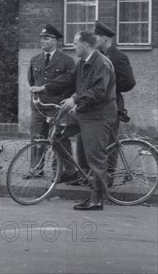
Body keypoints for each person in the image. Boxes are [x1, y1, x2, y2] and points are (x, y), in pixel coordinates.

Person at [68, 20, 136, 186]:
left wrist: (109, 86)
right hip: (91, 103)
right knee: (86, 141)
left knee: (107, 144)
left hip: (108, 104)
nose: (93, 38)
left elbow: (129, 82)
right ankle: (85, 175)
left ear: (104, 38)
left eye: (96, 36)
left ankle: (108, 179)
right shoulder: (92, 56)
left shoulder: (117, 57)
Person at [60, 30, 117, 211]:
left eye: (75, 44)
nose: (73, 47)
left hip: (98, 115)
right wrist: (45, 87)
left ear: (84, 45)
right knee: (58, 129)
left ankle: (96, 199)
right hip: (85, 111)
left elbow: (99, 91)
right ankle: (73, 172)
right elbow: (72, 82)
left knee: (95, 157)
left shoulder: (101, 63)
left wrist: (75, 100)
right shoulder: (83, 62)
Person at [26, 24, 76, 182]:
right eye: (41, 38)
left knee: (59, 139)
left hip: (56, 106)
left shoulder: (67, 61)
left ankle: (64, 172)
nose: (42, 41)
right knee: (36, 138)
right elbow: (31, 80)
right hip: (38, 106)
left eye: (46, 38)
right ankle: (36, 169)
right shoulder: (35, 60)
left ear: (55, 41)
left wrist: (46, 88)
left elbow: (69, 82)